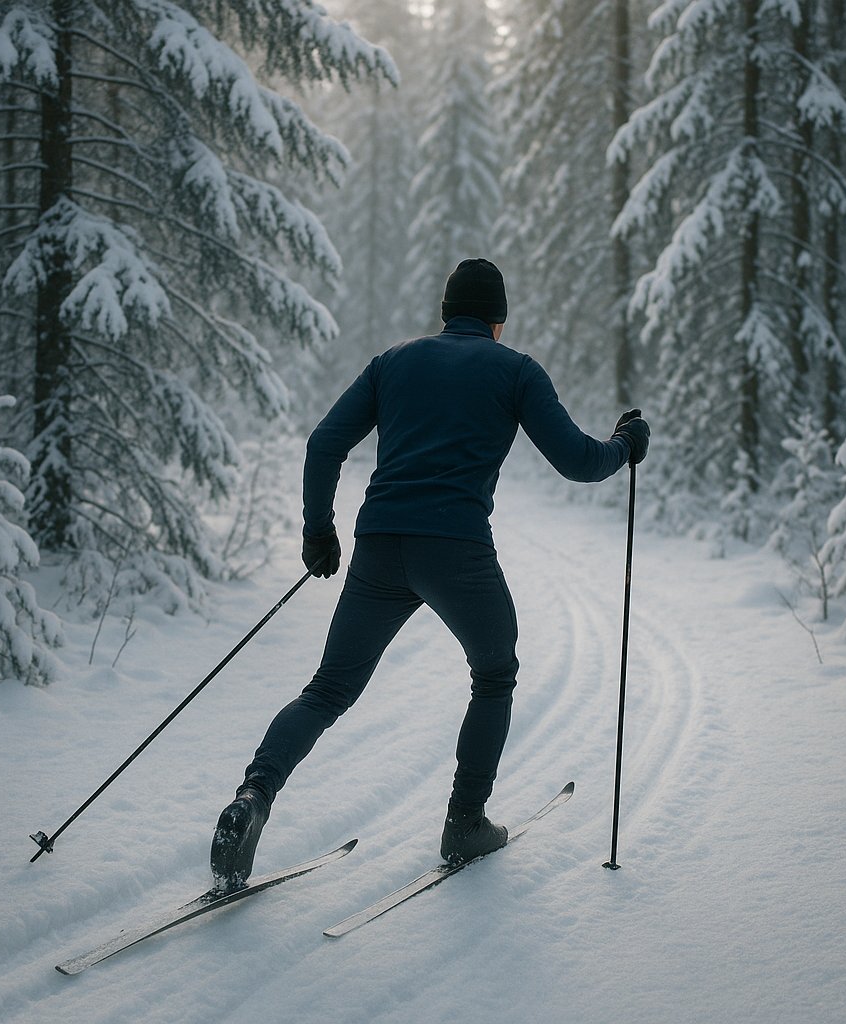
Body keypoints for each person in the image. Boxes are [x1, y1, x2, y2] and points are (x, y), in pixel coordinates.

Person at [210, 258, 650, 890]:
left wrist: (318, 529)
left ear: (446, 311)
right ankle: (464, 823)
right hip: (457, 552)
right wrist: (622, 446)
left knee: (328, 691)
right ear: (497, 320)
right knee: (495, 673)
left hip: (379, 549)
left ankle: (252, 797)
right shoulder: (516, 369)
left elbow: (322, 445)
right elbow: (579, 462)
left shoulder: (394, 362)